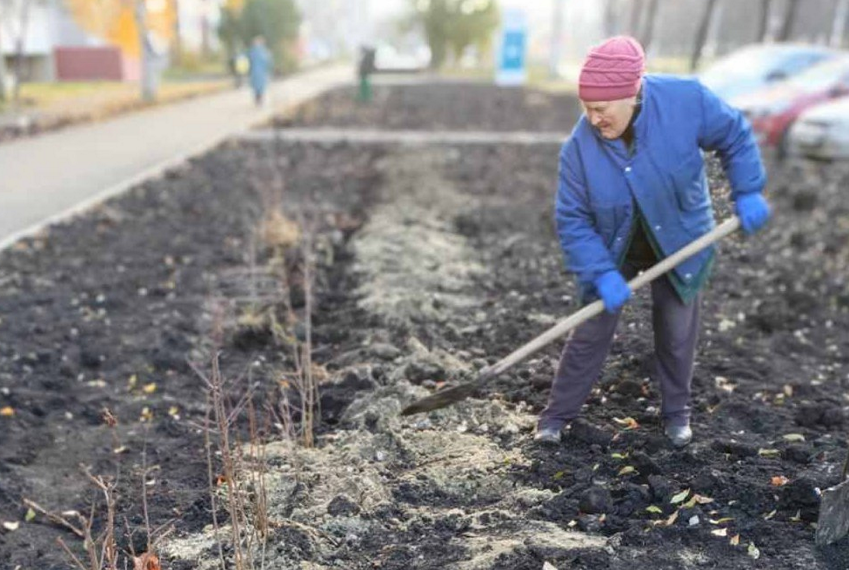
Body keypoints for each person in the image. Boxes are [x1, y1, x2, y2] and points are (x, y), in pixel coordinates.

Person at [535, 36, 770, 448]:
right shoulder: (579, 148)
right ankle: (555, 417)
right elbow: (572, 218)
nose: (593, 119)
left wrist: (747, 189)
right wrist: (600, 272)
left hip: (680, 238)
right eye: (586, 108)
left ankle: (677, 414)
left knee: (677, 328)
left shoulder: (686, 101)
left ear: (631, 94)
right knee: (591, 328)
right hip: (614, 245)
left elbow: (733, 134)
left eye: (601, 109)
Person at [247, 36, 273, 107]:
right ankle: (259, 101)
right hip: (260, 73)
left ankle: (258, 101)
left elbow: (248, 61)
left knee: (257, 87)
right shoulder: (264, 52)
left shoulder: (252, 51)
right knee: (260, 87)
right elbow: (269, 62)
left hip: (255, 72)